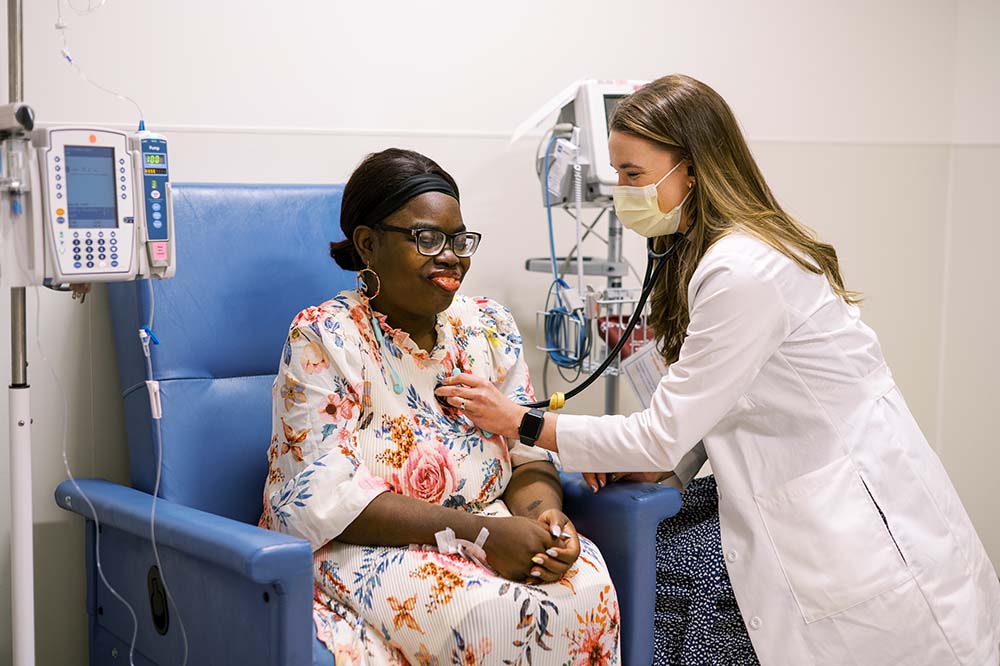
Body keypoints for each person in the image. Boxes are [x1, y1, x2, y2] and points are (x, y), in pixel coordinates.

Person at [439, 74, 1000, 665]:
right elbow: (713, 407)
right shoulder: (707, 255)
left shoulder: (742, 271)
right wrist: (660, 469)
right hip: (795, 495)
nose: (622, 193)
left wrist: (520, 423)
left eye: (634, 176)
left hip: (851, 524)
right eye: (618, 174)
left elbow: (664, 427)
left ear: (692, 171)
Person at [259, 148, 621, 664]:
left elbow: (526, 456)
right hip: (372, 546)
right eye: (426, 238)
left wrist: (547, 523)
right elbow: (323, 497)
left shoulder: (488, 327)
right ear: (368, 245)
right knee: (494, 615)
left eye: (458, 240)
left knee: (590, 586)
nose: (450, 256)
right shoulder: (326, 336)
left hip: (494, 526)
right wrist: (484, 535)